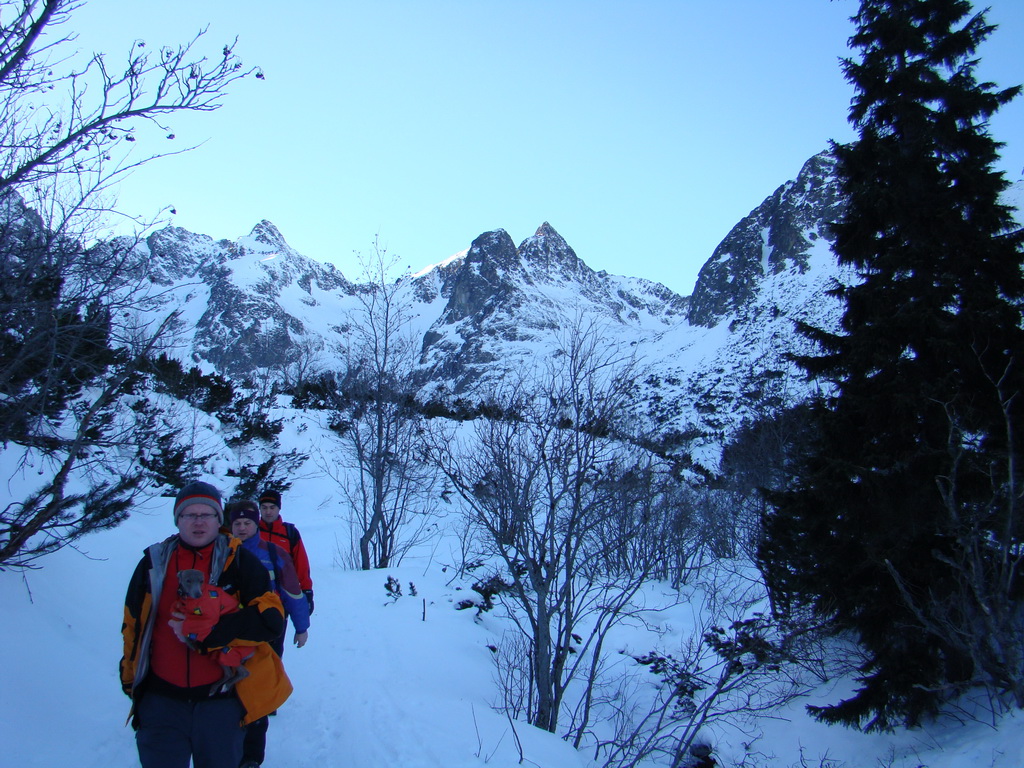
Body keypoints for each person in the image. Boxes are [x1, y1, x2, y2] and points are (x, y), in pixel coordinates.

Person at [120, 481, 292, 768]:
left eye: (207, 515)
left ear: (218, 519)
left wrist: (213, 632)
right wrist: (133, 687)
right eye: (190, 515)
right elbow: (132, 626)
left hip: (221, 704)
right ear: (178, 520)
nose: (198, 522)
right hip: (161, 702)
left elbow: (270, 621)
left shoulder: (240, 563)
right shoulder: (154, 563)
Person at [229, 500, 311, 768]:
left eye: (247, 523)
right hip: (226, 635)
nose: (242, 528)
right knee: (227, 694)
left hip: (265, 631)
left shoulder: (274, 553)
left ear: (256, 525)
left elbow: (292, 592)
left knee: (258, 691)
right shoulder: (219, 553)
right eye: (237, 523)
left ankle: (251, 757)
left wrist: (302, 627)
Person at [257, 488, 314, 615]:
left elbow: (301, 564)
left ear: (279, 508)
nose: (268, 512)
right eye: (264, 507)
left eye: (272, 507)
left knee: (278, 632)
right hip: (256, 595)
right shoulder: (252, 531)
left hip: (283, 596)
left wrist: (307, 590)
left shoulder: (290, 533)